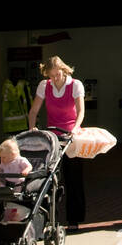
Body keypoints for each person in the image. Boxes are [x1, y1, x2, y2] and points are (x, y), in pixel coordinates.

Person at [28, 56, 86, 232]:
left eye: (57, 74)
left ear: (64, 70)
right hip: (52, 136)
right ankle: (47, 219)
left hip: (70, 136)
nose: (55, 78)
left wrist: (75, 128)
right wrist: (32, 128)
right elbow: (33, 111)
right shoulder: (44, 86)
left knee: (73, 178)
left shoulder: (75, 85)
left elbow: (81, 111)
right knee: (48, 178)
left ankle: (74, 219)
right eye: (51, 76)